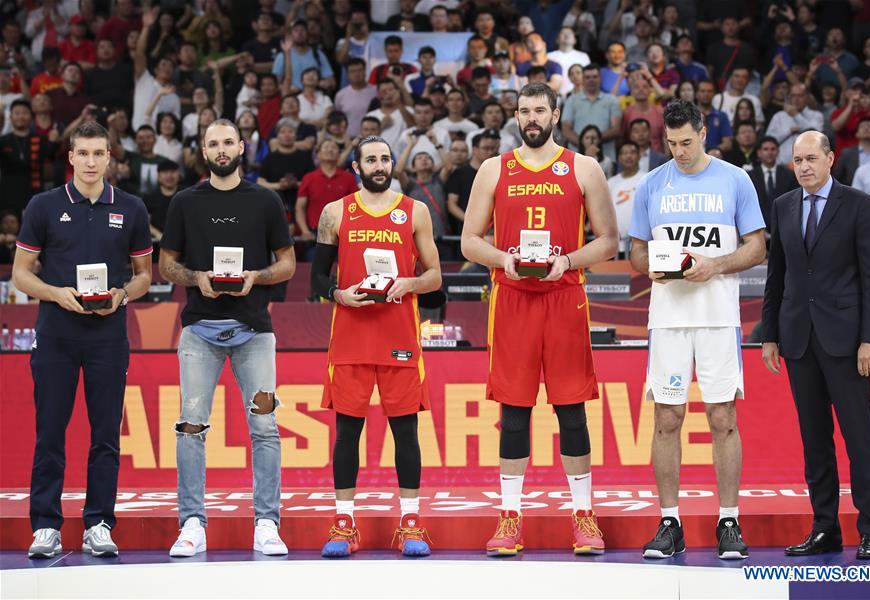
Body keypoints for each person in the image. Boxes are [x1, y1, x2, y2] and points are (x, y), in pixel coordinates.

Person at [461, 82, 619, 556]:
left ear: (555, 114)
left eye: (539, 111)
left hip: (564, 296)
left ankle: (583, 516)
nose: (531, 118)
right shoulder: (493, 169)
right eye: (524, 111)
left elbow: (608, 241)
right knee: (514, 410)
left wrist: (567, 260)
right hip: (512, 298)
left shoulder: (583, 167)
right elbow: (470, 241)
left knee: (572, 408)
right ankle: (510, 517)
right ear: (515, 115)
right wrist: (502, 259)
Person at [628, 99, 767, 560]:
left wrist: (715, 265)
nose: (679, 152)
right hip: (668, 318)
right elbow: (635, 255)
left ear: (704, 132)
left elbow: (757, 248)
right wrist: (659, 266)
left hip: (717, 316)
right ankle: (670, 522)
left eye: (686, 142)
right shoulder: (652, 184)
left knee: (722, 418)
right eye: (671, 143)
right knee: (667, 419)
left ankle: (729, 520)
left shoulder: (734, 179)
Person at [13, 121, 152, 558]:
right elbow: (20, 274)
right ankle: (46, 526)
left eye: (99, 153)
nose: (91, 161)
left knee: (106, 434)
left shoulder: (130, 208)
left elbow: (146, 276)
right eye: (83, 153)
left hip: (108, 336)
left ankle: (99, 523)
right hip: (56, 334)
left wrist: (122, 294)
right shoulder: (44, 205)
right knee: (50, 432)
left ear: (110, 157)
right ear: (70, 157)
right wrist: (57, 294)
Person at [159, 119, 297, 557]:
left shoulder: (265, 200)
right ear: (204, 152)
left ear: (242, 147)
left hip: (254, 331)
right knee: (190, 428)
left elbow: (288, 264)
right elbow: (167, 265)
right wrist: (195, 277)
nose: (221, 150)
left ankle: (267, 523)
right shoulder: (185, 202)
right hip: (200, 329)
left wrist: (257, 276)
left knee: (265, 427)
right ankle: (193, 523)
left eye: (228, 142)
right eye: (213, 144)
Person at [311, 134, 442, 557]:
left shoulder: (414, 211)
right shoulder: (335, 213)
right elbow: (317, 280)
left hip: (400, 336)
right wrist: (338, 295)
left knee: (406, 431)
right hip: (350, 336)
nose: (380, 165)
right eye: (371, 159)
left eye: (385, 158)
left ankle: (410, 522)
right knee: (347, 433)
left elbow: (435, 277)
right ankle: (344, 522)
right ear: (357, 166)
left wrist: (410, 283)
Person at [760, 130, 870, 560]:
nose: (804, 167)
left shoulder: (858, 205)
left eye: (811, 158)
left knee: (859, 438)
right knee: (815, 441)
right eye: (797, 161)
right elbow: (776, 275)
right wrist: (769, 334)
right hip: (798, 339)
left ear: (831, 158)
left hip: (848, 341)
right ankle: (825, 527)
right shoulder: (782, 205)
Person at [766, 84, 825, 166]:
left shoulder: (816, 116)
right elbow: (769, 141)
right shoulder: (779, 116)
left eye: (800, 96)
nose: (796, 99)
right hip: (782, 166)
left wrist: (796, 115)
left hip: (807, 165)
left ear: (807, 97)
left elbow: (816, 137)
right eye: (793, 96)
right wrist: (789, 131)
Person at [749, 136, 799, 231]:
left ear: (778, 152)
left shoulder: (790, 175)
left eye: (773, 149)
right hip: (758, 229)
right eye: (765, 149)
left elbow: (794, 203)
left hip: (785, 227)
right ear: (759, 153)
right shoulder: (750, 177)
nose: (769, 152)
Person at [607, 140, 646, 255]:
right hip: (616, 245)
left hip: (641, 244)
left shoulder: (647, 180)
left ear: (639, 156)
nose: (628, 156)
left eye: (632, 152)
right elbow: (605, 212)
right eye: (624, 153)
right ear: (619, 157)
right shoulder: (611, 182)